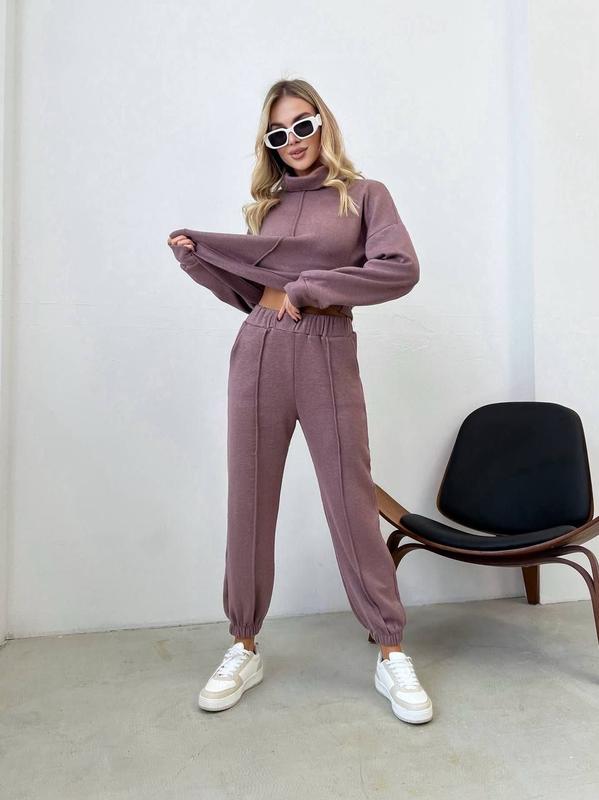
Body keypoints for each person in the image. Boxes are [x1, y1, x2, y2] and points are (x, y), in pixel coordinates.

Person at [167, 78, 432, 724]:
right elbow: (252, 293)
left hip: (326, 349)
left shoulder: (363, 195)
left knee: (350, 496)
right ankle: (243, 643)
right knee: (249, 498)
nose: (293, 141)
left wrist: (311, 287)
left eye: (303, 125)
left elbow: (399, 268)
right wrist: (202, 263)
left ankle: (390, 647)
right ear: (269, 143)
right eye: (278, 133)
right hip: (258, 348)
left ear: (323, 122)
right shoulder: (264, 210)